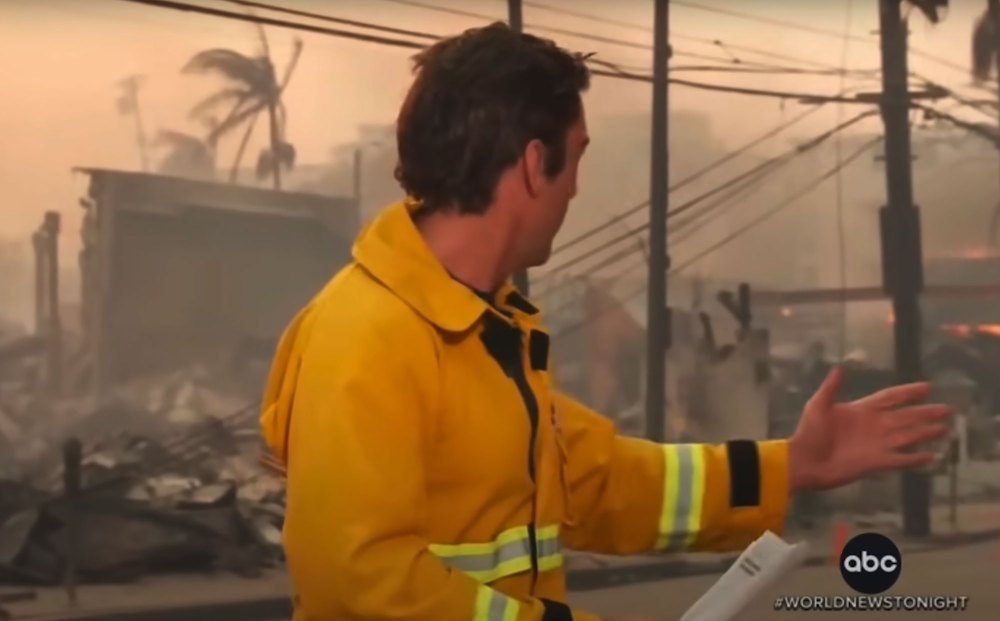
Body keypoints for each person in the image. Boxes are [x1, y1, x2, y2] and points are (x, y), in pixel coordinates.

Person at [260, 22, 952, 621]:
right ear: (536, 163)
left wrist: (793, 464)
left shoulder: (486, 333)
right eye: (577, 156)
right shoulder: (365, 333)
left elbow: (604, 481)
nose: (577, 187)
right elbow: (361, 581)